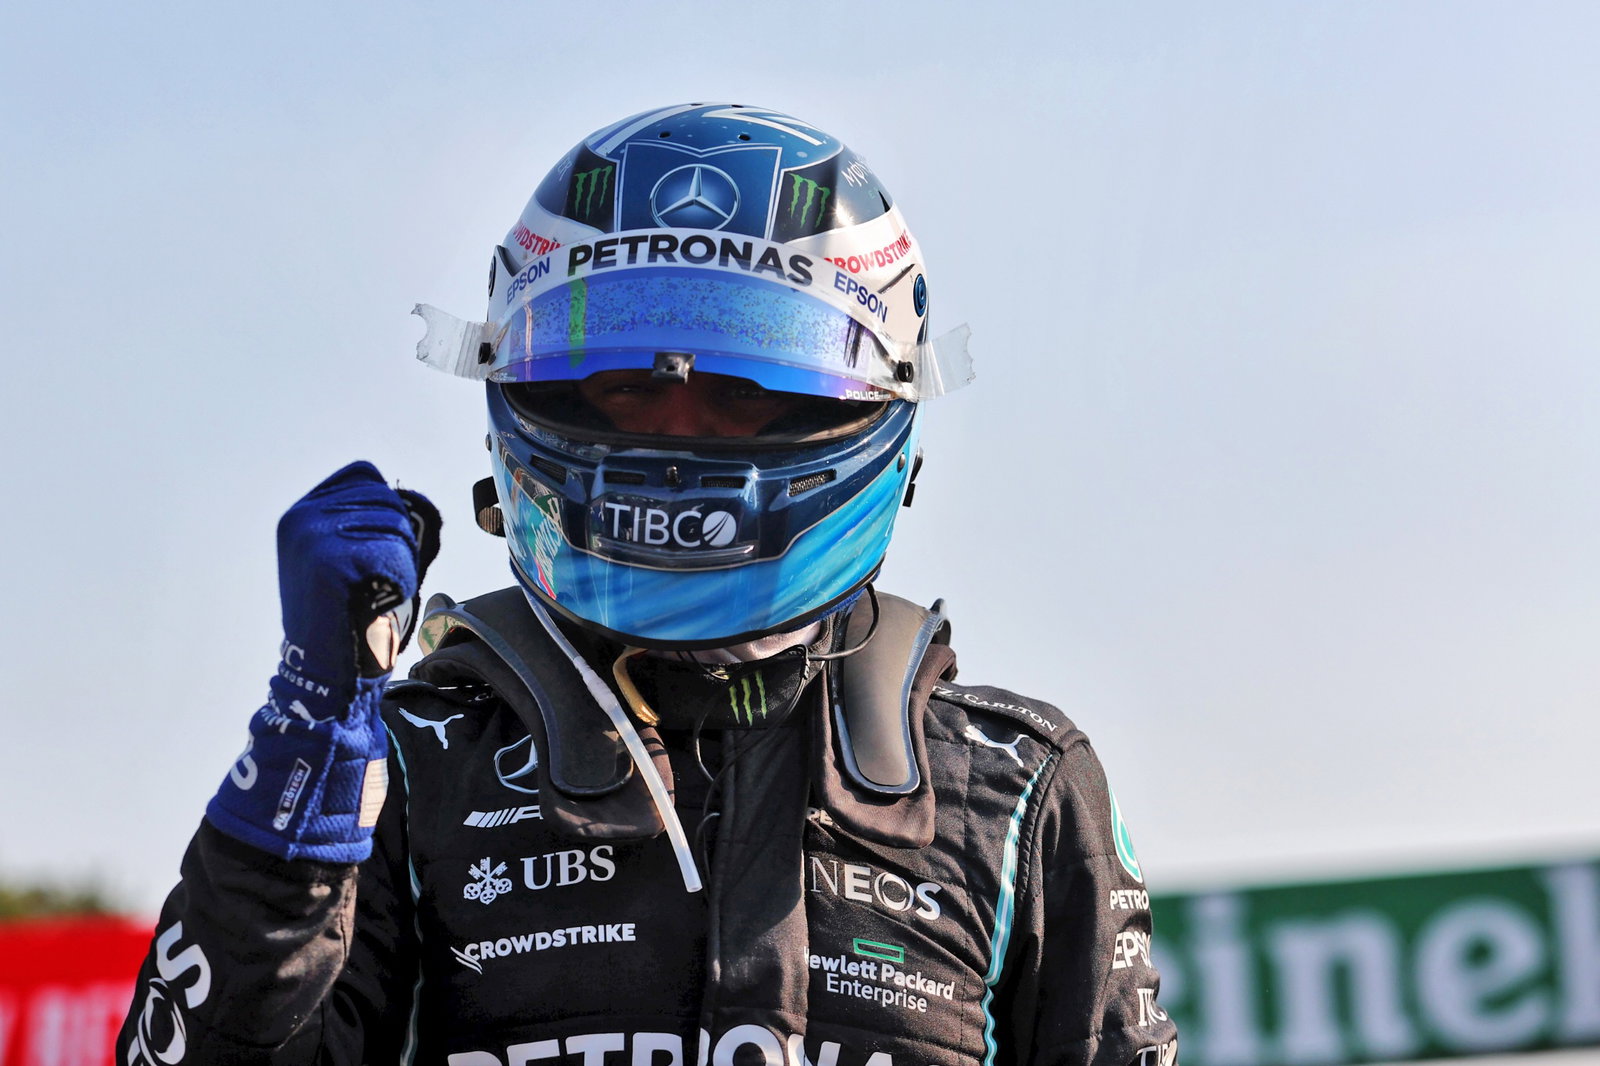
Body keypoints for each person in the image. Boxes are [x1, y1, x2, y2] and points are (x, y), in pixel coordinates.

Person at [119, 103, 1178, 1066]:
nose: (674, 437)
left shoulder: (1019, 789)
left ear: (863, 404)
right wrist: (296, 778)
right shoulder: (410, 767)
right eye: (625, 385)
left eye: (740, 390)